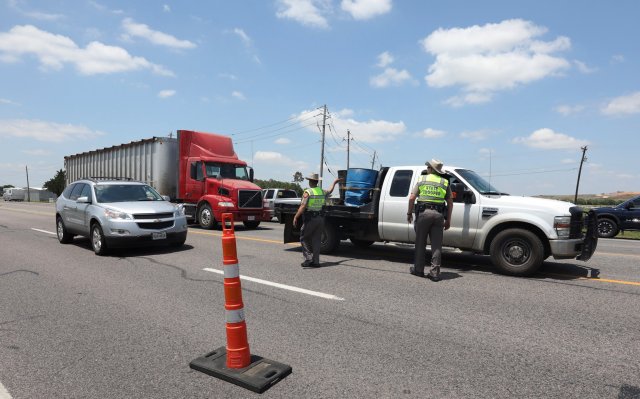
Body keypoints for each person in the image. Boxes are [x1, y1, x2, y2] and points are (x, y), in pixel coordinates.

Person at [407, 159, 453, 281]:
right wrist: (448, 220)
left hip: (424, 214)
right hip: (439, 216)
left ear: (431, 169)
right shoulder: (444, 182)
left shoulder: (422, 179)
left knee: (420, 243)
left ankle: (418, 270)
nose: (427, 168)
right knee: (436, 246)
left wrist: (409, 213)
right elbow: (450, 203)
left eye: (428, 167)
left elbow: (412, 198)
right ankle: (434, 273)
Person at [293, 173, 341, 267]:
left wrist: (296, 216)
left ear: (311, 181)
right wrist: (334, 182)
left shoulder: (308, 192)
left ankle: (308, 258)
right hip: (320, 219)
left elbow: (303, 206)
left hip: (311, 218)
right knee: (316, 239)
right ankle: (316, 262)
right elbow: (330, 191)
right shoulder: (321, 191)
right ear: (317, 181)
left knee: (303, 237)